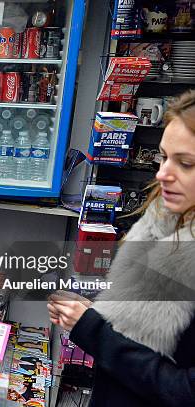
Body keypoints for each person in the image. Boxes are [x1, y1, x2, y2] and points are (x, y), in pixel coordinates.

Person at [48, 91, 195, 406]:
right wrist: (90, 312)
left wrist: (92, 329)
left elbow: (184, 391)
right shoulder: (165, 221)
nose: (162, 174)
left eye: (185, 163)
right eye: (164, 157)